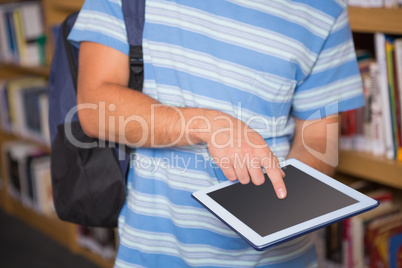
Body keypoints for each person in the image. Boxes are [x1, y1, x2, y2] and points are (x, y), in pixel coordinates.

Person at [68, 0, 364, 267]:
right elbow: (95, 108)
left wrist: (283, 203)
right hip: (153, 252)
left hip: (277, 258)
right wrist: (209, 125)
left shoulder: (326, 9)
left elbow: (318, 140)